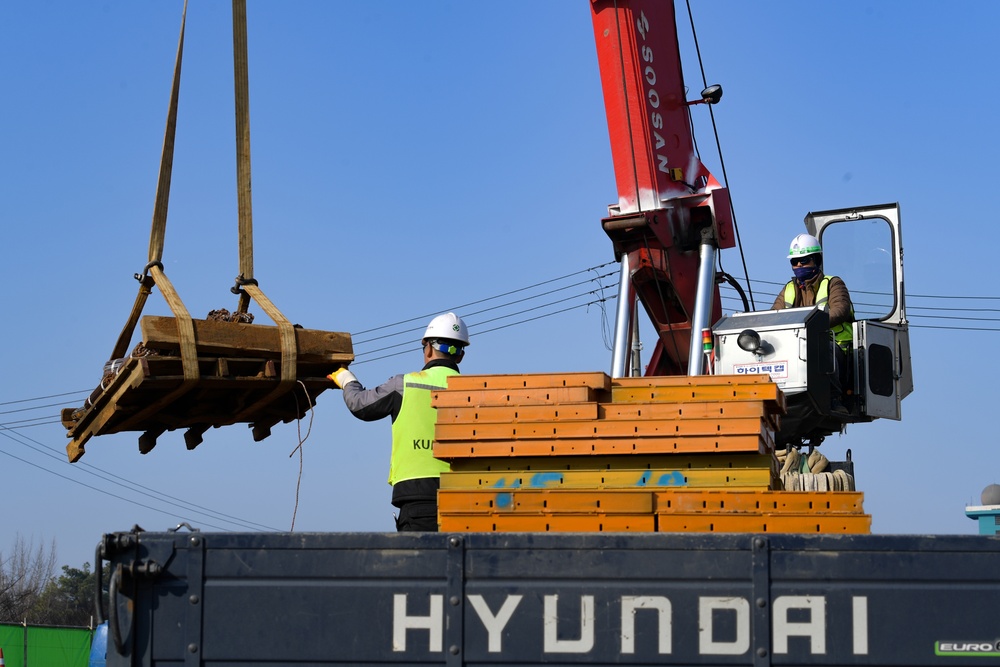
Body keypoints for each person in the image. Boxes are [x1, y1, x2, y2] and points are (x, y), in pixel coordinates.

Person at [328, 312, 469, 531]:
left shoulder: (405, 385)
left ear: (428, 348)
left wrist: (346, 379)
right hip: (466, 498)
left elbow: (360, 404)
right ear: (460, 355)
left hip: (417, 498)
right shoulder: (477, 389)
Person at [771, 233, 854, 415]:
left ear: (816, 260)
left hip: (835, 345)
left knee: (822, 348)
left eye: (804, 260)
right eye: (795, 261)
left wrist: (813, 326)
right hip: (797, 344)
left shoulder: (833, 283)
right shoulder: (789, 289)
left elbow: (841, 310)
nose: (799, 265)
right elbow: (773, 317)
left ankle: (834, 399)